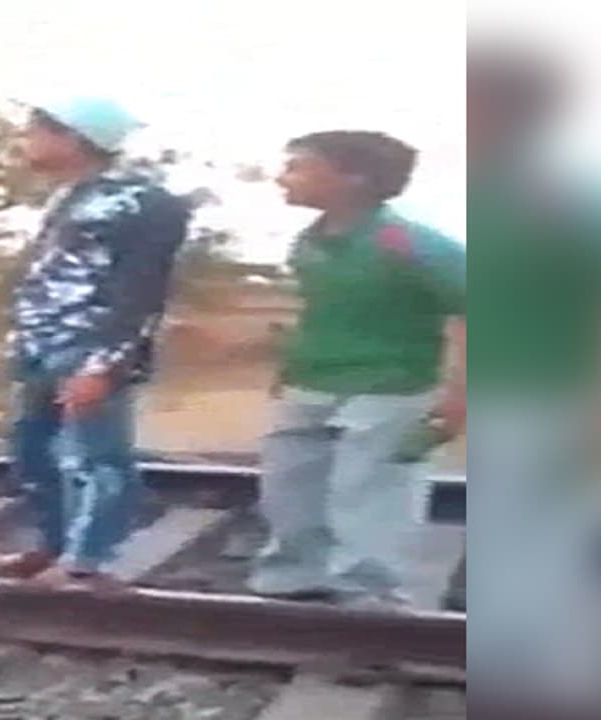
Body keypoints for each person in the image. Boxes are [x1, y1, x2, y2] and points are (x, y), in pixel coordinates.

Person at [246, 130, 467, 609]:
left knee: (371, 495)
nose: (282, 177)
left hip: (390, 387)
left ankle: (370, 599)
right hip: (309, 384)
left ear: (354, 178)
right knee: (290, 488)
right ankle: (292, 583)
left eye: (298, 166)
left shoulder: (404, 241)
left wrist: (459, 397)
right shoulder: (309, 241)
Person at [0, 97, 191, 588]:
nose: (25, 140)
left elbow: (142, 291)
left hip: (89, 346)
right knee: (32, 452)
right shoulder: (67, 197)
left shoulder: (144, 202)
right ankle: (54, 542)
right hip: (39, 345)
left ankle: (88, 558)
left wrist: (105, 364)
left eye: (36, 131)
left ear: (74, 137)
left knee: (94, 456)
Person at [466, 43, 601, 716]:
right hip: (503, 395)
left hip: (555, 396)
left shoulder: (565, 198)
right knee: (509, 543)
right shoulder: (490, 199)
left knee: (558, 550)